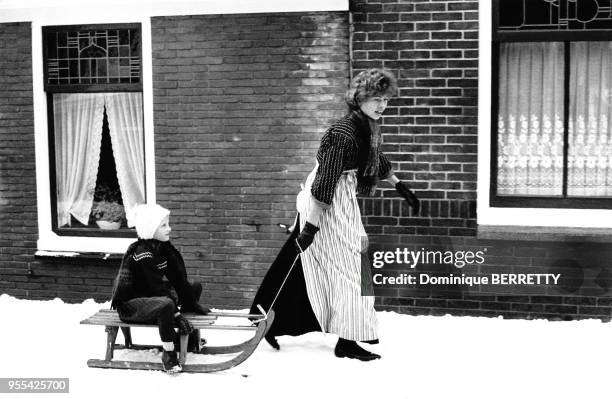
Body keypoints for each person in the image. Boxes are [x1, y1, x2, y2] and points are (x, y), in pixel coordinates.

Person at [250, 68, 419, 361]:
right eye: (376, 99)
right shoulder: (343, 133)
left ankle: (273, 320)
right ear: (360, 99)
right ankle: (345, 342)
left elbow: (375, 159)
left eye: (386, 100)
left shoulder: (366, 127)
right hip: (326, 203)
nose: (382, 106)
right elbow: (324, 184)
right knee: (349, 269)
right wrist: (311, 228)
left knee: (312, 265)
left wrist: (400, 186)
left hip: (342, 199)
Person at [110, 203, 210, 373]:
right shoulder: (142, 253)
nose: (169, 229)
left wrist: (191, 301)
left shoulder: (163, 248)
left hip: (150, 296)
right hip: (131, 305)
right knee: (166, 304)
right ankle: (169, 354)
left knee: (193, 287)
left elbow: (178, 279)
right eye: (163, 225)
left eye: (168, 224)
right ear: (150, 228)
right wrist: (176, 315)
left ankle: (187, 337)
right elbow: (156, 288)